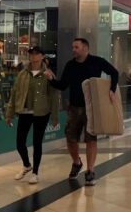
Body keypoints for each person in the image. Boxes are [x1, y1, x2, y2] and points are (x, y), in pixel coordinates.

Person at [45, 38, 119, 187]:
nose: (74, 49)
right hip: (74, 107)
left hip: (92, 107)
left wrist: (112, 90)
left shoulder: (97, 61)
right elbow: (63, 85)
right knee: (71, 138)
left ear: (85, 48)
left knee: (91, 138)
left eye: (76, 47)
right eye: (73, 47)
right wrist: (51, 79)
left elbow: (114, 72)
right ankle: (76, 162)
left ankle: (90, 171)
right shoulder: (70, 65)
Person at [5, 47, 58, 184]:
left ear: (42, 56)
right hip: (25, 111)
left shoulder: (48, 73)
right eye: (31, 54)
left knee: (37, 142)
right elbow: (14, 94)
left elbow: (53, 95)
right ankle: (27, 165)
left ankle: (35, 172)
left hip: (42, 112)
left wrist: (54, 117)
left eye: (36, 54)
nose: (33, 56)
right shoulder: (23, 74)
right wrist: (9, 113)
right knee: (20, 142)